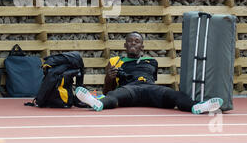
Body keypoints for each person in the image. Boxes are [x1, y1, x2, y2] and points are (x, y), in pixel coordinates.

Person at [75, 32, 223, 114]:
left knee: (175, 94)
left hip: (150, 89)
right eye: (130, 41)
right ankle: (98, 104)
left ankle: (197, 107)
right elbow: (108, 90)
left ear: (142, 46)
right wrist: (109, 78)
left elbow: (152, 80)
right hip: (130, 90)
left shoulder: (151, 61)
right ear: (125, 45)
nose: (133, 43)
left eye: (137, 41)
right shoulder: (114, 60)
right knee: (113, 96)